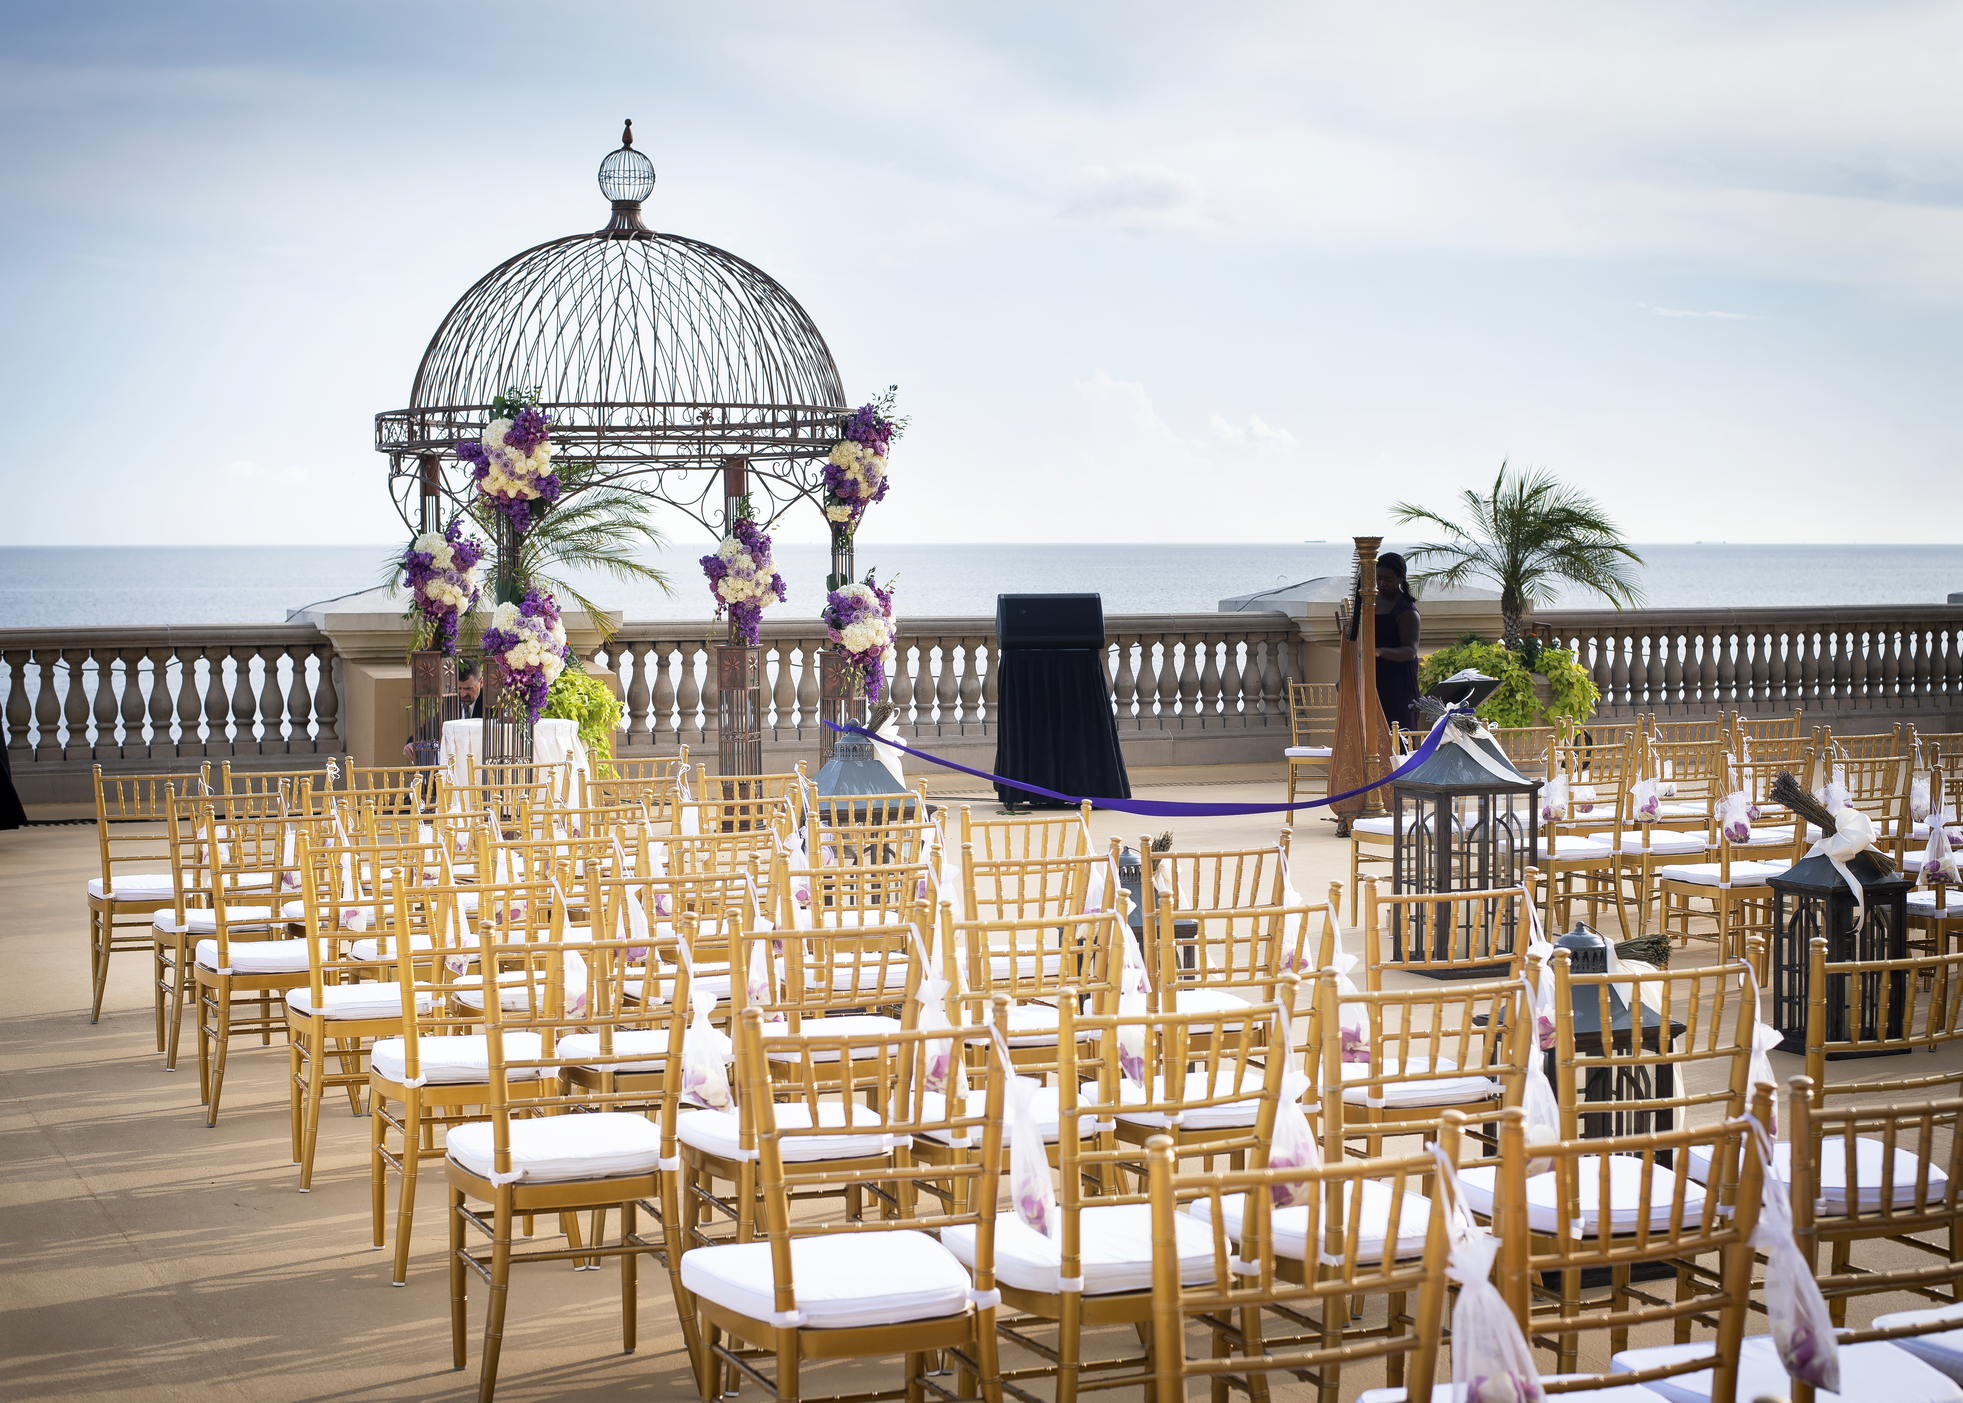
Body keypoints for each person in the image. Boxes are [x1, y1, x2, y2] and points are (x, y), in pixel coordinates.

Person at [1373, 552, 1422, 731]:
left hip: (1398, 680)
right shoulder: (1371, 600)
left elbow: (1410, 650)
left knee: (1398, 731)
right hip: (1374, 674)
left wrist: (1380, 651)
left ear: (1401, 578)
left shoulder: (1407, 610)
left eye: (1389, 579)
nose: (1382, 584)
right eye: (1378, 578)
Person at [403, 659, 484, 760]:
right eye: (458, 688)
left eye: (468, 688)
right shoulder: (451, 700)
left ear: (481, 683)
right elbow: (432, 727)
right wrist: (411, 743)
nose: (462, 694)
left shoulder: (490, 704)